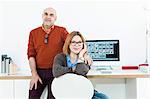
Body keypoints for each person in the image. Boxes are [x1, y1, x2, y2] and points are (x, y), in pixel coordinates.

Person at [27, 7, 92, 99]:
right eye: (46, 14)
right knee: (32, 96)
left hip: (57, 71)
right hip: (39, 71)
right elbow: (31, 54)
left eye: (51, 15)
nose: (48, 17)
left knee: (53, 97)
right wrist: (34, 73)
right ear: (42, 16)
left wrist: (85, 54)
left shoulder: (61, 31)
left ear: (55, 18)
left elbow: (73, 43)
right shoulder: (33, 33)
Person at [53, 31, 109, 99]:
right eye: (73, 42)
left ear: (83, 45)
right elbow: (56, 72)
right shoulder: (60, 57)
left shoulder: (86, 58)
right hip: (67, 91)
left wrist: (81, 56)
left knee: (104, 97)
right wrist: (73, 69)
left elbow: (80, 71)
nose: (76, 45)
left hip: (83, 89)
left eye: (79, 42)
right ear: (68, 43)